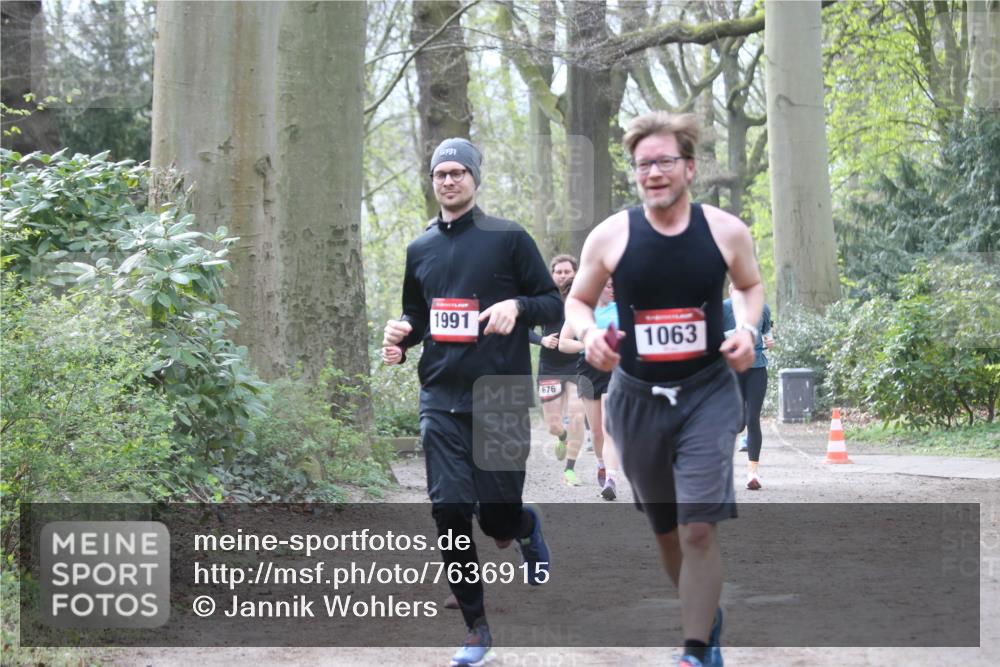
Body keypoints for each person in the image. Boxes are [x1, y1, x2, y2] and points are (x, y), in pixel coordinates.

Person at [564, 112, 763, 667]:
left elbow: (749, 286)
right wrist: (589, 335)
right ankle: (707, 614)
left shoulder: (725, 231)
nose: (653, 172)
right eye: (643, 164)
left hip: (707, 391)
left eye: (664, 161)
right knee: (667, 533)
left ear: (690, 168)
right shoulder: (612, 235)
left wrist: (746, 330)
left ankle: (695, 649)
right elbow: (578, 302)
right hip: (635, 398)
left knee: (698, 527)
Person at [381, 138, 561, 667]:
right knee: (450, 508)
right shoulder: (420, 248)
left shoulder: (508, 237)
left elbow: (552, 302)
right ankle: (476, 628)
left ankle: (524, 527)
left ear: (474, 178)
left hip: (500, 392)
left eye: (459, 172)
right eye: (441, 174)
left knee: (497, 522)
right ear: (432, 181)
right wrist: (401, 334)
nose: (449, 181)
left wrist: (516, 305)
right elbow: (418, 314)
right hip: (441, 392)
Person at [558, 276, 623, 500]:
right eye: (607, 285)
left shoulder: (622, 308)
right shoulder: (583, 311)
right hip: (588, 369)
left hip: (614, 368)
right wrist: (589, 342)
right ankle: (602, 465)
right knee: (596, 432)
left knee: (609, 427)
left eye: (615, 285)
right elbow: (563, 343)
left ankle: (611, 479)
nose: (612, 289)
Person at [531, 254, 587, 486]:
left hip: (577, 365)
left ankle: (570, 469)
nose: (563, 275)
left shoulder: (584, 298)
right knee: (554, 424)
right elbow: (524, 329)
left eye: (568, 272)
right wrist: (541, 340)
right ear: (552, 275)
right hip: (550, 367)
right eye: (559, 272)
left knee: (577, 414)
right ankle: (562, 437)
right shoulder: (544, 299)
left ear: (576, 273)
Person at [723, 292, 774, 490]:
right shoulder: (723, 308)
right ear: (731, 290)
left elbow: (767, 333)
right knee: (737, 423)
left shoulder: (763, 307)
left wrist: (770, 341)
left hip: (757, 369)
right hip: (732, 371)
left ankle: (753, 473)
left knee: (753, 418)